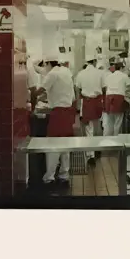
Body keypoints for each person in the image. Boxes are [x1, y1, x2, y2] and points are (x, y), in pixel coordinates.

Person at [34, 56, 76, 190]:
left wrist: (32, 96)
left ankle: (49, 177)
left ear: (47, 63)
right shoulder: (66, 72)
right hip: (68, 112)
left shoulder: (52, 74)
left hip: (58, 113)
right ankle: (64, 176)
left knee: (52, 145)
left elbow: (40, 90)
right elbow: (58, 91)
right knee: (65, 144)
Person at [75, 54, 104, 166]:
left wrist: (78, 104)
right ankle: (97, 149)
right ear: (95, 61)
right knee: (98, 126)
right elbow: (104, 88)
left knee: (88, 128)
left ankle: (90, 154)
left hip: (86, 102)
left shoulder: (81, 73)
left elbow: (77, 89)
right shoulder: (100, 73)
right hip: (97, 102)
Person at [103, 59, 130, 136]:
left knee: (109, 121)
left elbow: (105, 87)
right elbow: (129, 87)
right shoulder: (124, 76)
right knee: (118, 121)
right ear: (121, 68)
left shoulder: (109, 76)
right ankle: (117, 138)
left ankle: (109, 139)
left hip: (108, 98)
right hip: (119, 98)